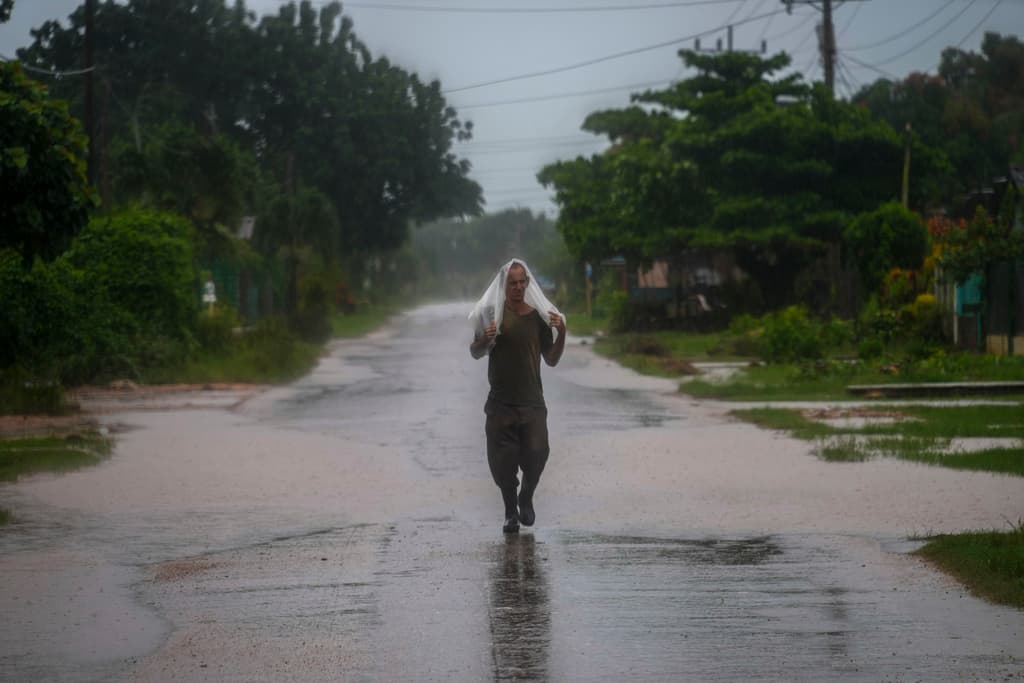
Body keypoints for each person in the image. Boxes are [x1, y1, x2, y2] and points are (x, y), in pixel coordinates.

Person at [469, 259, 566, 533]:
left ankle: (526, 497)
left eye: (523, 282)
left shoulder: (538, 316)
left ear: (528, 282)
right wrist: (485, 340)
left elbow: (552, 360)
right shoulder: (491, 314)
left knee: (538, 453)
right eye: (513, 283)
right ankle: (510, 513)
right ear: (504, 285)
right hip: (500, 404)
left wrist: (563, 333)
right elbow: (475, 352)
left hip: (532, 402)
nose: (518, 287)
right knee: (503, 463)